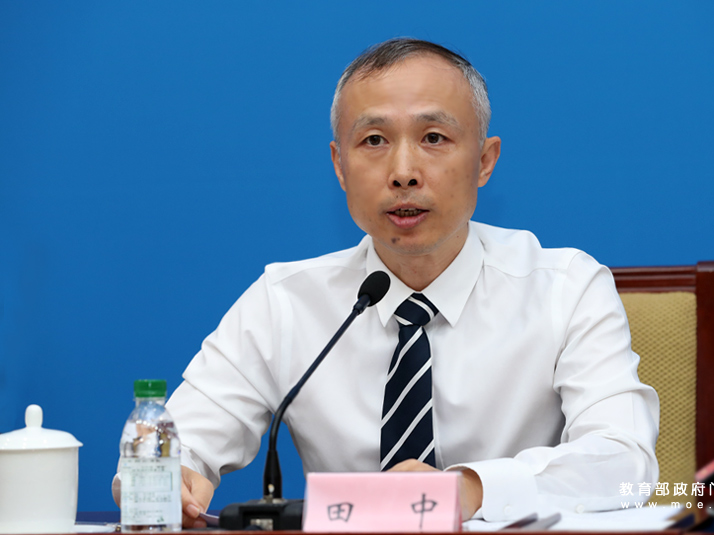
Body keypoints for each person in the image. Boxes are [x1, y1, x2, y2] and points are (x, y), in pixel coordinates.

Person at [158, 38, 659, 528]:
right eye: (374, 140)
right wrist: (168, 478)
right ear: (339, 165)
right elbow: (173, 445)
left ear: (485, 161)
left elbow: (624, 463)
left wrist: (468, 489)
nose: (403, 173)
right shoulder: (285, 302)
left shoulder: (564, 289)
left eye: (434, 138)